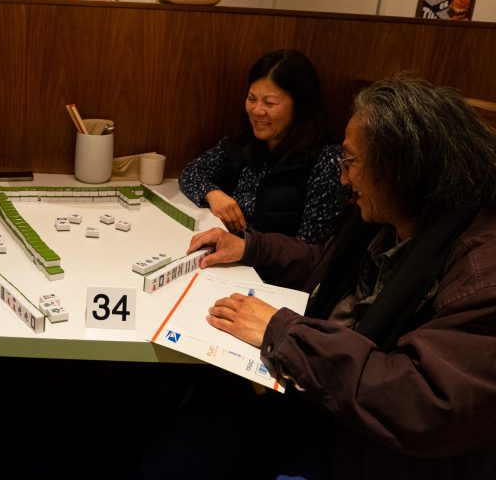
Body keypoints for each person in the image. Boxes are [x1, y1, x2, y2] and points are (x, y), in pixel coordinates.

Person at [184, 77, 496, 478]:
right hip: (327, 411)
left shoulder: (481, 275)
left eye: (350, 163)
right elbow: (326, 265)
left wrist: (284, 333)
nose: (344, 179)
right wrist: (250, 247)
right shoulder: (400, 214)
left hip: (368, 455)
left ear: (401, 168)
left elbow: (425, 403)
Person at [179, 49, 348, 244]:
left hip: (266, 268)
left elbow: (309, 250)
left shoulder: (327, 160)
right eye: (252, 99)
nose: (257, 111)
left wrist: (248, 249)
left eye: (270, 103)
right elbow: (191, 172)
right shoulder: (247, 141)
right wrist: (212, 194)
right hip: (230, 253)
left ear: (300, 106)